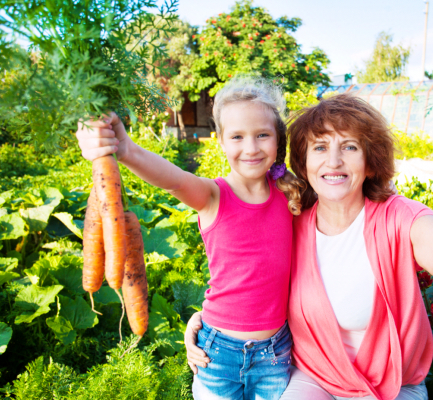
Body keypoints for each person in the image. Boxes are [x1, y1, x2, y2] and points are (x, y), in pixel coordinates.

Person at [185, 93, 433, 400]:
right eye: (320, 148)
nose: (333, 161)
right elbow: (244, 265)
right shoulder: (294, 218)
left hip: (392, 384)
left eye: (349, 147)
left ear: (370, 160)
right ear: (304, 162)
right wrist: (209, 323)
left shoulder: (398, 217)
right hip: (315, 378)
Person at [76, 77, 305, 400]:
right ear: (221, 142)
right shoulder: (213, 195)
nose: (251, 148)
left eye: (262, 135)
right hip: (217, 353)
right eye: (237, 137)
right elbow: (173, 180)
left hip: (276, 352)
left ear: (278, 140)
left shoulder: (290, 195)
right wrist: (124, 149)